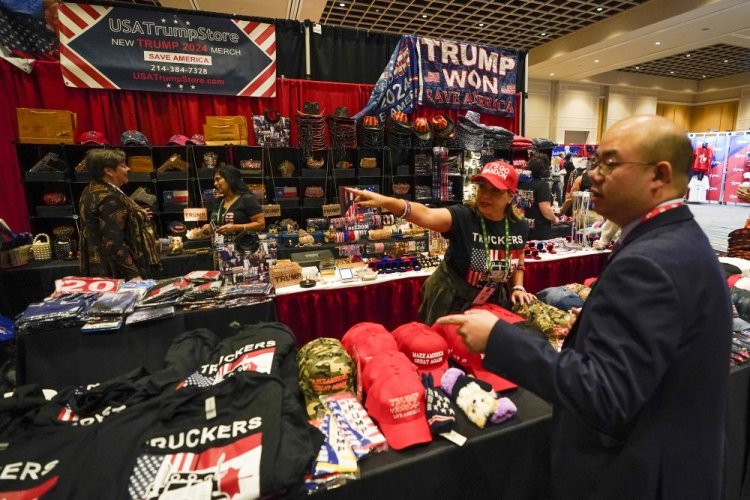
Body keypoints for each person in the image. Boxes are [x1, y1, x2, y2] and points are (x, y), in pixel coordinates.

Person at [437, 115, 732, 498]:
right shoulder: (674, 239)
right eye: (595, 163)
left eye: (609, 163)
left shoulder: (652, 261)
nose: (592, 176)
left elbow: (607, 395)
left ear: (659, 175)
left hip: (639, 475)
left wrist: (499, 339)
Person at [347, 161, 534, 325]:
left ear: (510, 196)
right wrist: (385, 201)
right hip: (451, 300)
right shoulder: (463, 217)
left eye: (495, 191)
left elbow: (518, 254)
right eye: (482, 187)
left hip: (491, 301)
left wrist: (518, 285)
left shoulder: (519, 226)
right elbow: (426, 214)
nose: (485, 195)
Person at [79, 148, 161, 279]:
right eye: (123, 166)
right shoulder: (110, 198)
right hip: (115, 272)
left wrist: (134, 215)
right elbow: (113, 241)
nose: (128, 169)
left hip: (100, 266)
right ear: (109, 171)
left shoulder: (91, 189)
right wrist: (133, 275)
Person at [202, 164, 265, 237]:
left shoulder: (247, 199)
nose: (215, 183)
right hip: (221, 246)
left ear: (230, 179)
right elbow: (217, 223)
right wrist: (208, 227)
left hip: (243, 245)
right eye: (214, 180)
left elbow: (261, 225)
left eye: (218, 179)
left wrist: (235, 228)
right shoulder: (218, 201)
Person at [517, 153, 559, 240]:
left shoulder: (521, 183)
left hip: (523, 227)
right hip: (539, 230)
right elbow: (546, 210)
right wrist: (555, 219)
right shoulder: (542, 185)